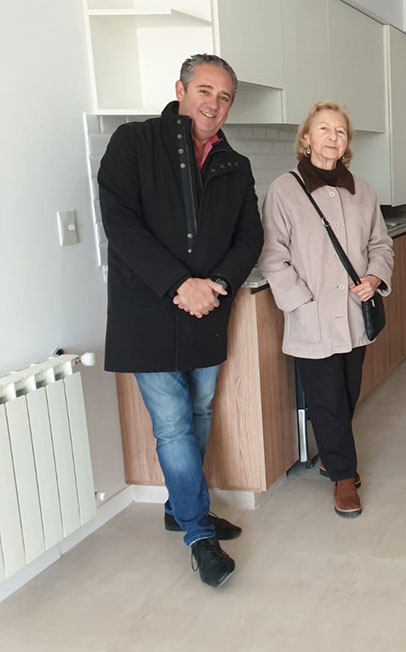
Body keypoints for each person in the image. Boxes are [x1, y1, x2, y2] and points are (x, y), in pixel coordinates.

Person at [99, 54, 264, 588]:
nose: (213, 104)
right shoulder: (134, 142)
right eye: (205, 91)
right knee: (172, 423)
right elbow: (121, 223)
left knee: (199, 409)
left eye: (224, 97)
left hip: (207, 308)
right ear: (181, 89)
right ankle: (198, 533)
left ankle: (180, 506)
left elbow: (250, 236)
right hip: (147, 310)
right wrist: (178, 284)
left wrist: (216, 284)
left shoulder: (235, 163)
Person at [259, 101, 393, 518]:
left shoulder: (363, 191)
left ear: (347, 142)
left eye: (340, 131)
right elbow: (272, 256)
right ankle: (343, 476)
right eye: (324, 129)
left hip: (354, 313)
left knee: (347, 392)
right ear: (306, 138)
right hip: (312, 315)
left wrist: (375, 277)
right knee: (326, 397)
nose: (333, 137)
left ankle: (333, 458)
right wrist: (301, 301)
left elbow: (380, 244)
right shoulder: (285, 190)